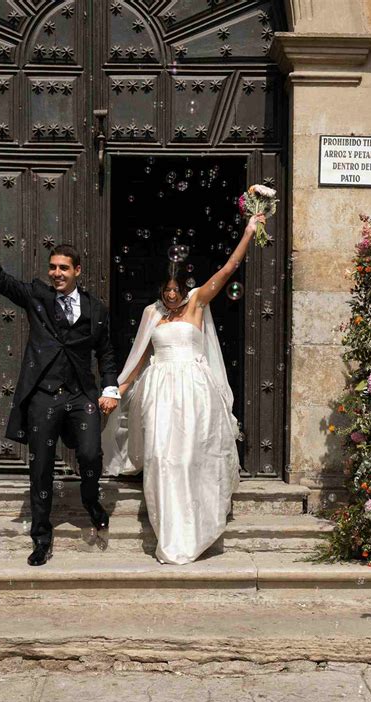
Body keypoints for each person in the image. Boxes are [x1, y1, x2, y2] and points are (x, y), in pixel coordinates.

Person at [103, 214, 265, 565]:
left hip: (193, 391)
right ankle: (170, 532)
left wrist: (249, 231)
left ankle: (197, 526)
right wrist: (116, 390)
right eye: (167, 290)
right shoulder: (153, 316)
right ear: (161, 291)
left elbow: (228, 270)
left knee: (193, 456)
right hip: (160, 393)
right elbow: (139, 359)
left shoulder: (196, 304)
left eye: (177, 289)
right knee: (162, 457)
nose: (173, 294)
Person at [0, 213, 119, 566]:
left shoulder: (96, 310)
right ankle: (41, 537)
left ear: (77, 271)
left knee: (89, 454)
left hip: (80, 395)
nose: (56, 273)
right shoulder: (36, 296)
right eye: (53, 267)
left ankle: (90, 498)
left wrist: (110, 387)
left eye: (63, 268)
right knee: (40, 468)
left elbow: (106, 352)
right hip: (43, 395)